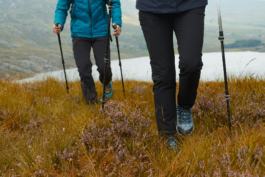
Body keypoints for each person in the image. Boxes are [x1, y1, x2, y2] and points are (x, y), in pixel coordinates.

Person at [137, 0, 208, 149]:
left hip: (190, 4)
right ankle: (167, 134)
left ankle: (184, 106)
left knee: (191, 63)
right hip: (151, 7)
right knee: (163, 74)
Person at [53, 0, 122, 104]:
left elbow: (115, 2)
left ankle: (106, 82)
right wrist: (58, 23)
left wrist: (116, 22)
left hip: (101, 31)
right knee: (83, 69)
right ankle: (92, 102)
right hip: (79, 32)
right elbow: (62, 7)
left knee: (104, 68)